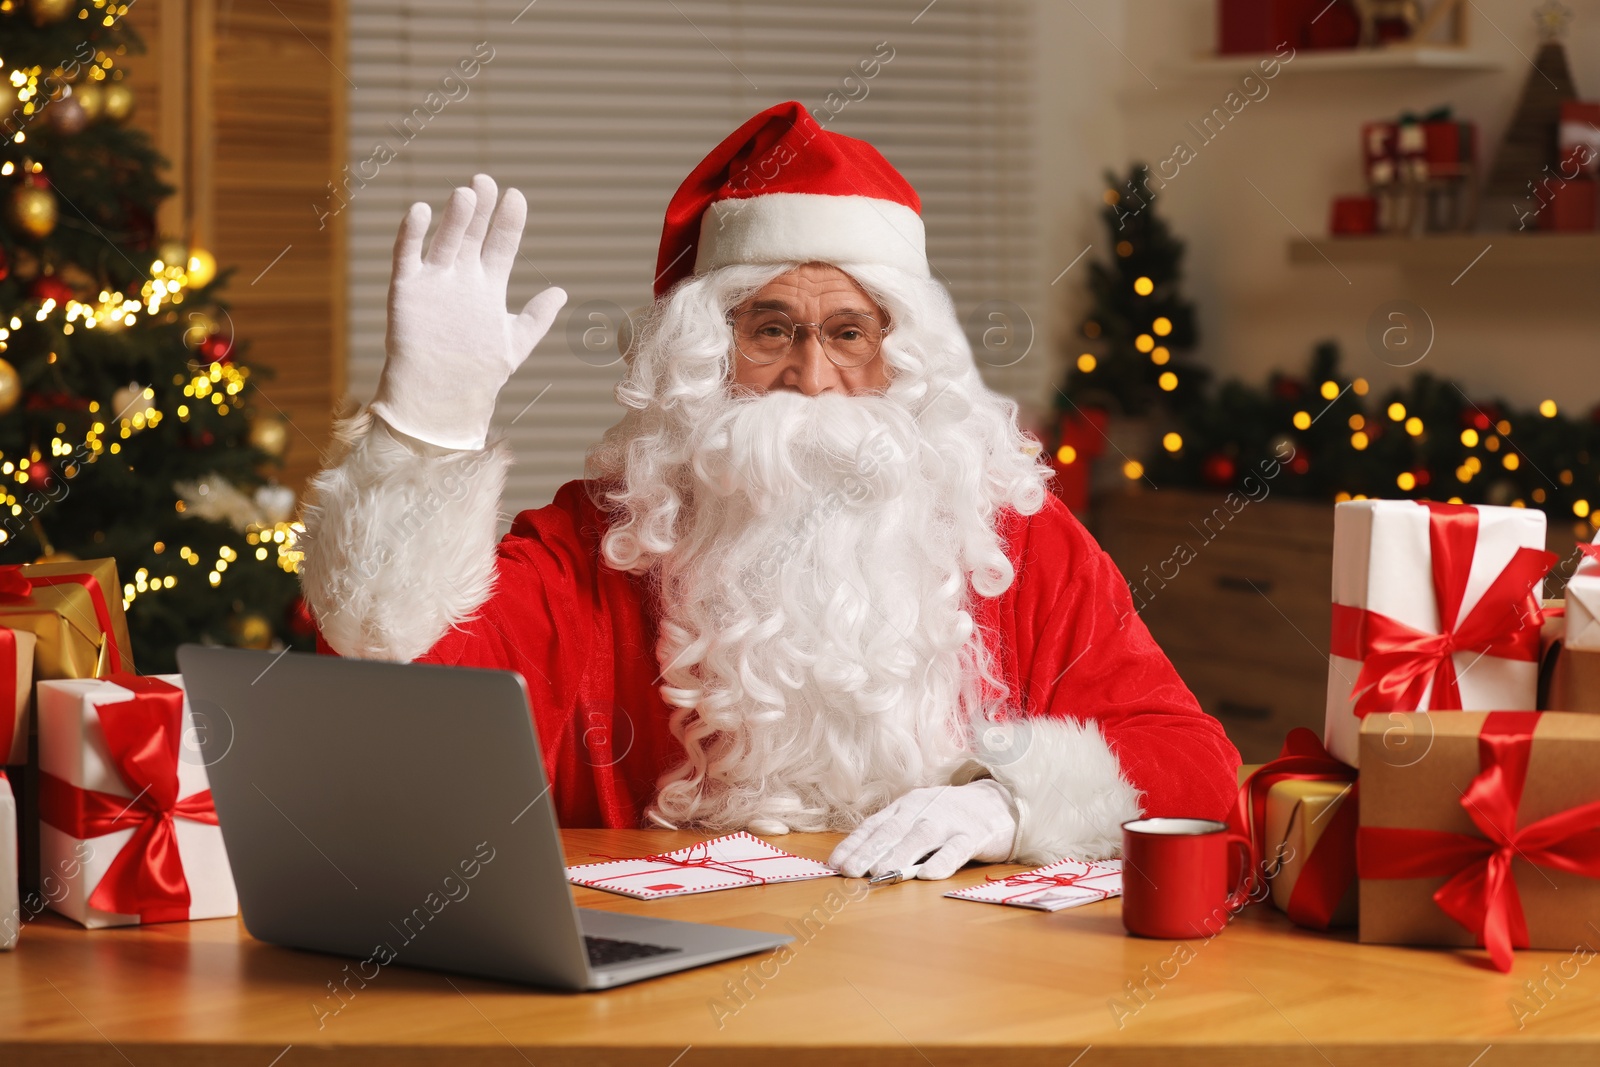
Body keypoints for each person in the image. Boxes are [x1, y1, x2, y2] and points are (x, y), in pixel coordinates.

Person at [298, 101, 1239, 882]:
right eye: (772, 327)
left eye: (849, 332)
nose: (811, 375)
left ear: (901, 355)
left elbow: (1197, 764)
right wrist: (426, 430)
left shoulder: (1013, 540)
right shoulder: (602, 540)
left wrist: (1012, 800)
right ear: (707, 353)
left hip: (962, 994)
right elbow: (398, 701)